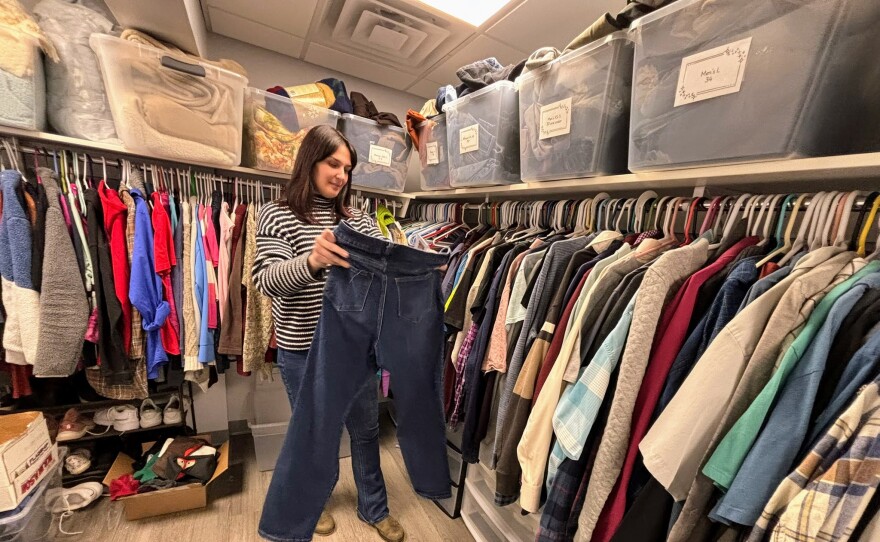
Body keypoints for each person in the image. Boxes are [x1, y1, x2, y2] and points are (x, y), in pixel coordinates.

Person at [253, 125, 405, 542]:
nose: (340, 175)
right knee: (316, 436)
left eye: (347, 168)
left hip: (355, 351)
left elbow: (385, 269)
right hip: (303, 350)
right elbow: (265, 280)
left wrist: (415, 269)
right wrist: (313, 260)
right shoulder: (276, 214)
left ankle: (375, 508)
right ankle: (312, 503)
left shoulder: (357, 219)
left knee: (366, 431)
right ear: (310, 162)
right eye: (332, 163)